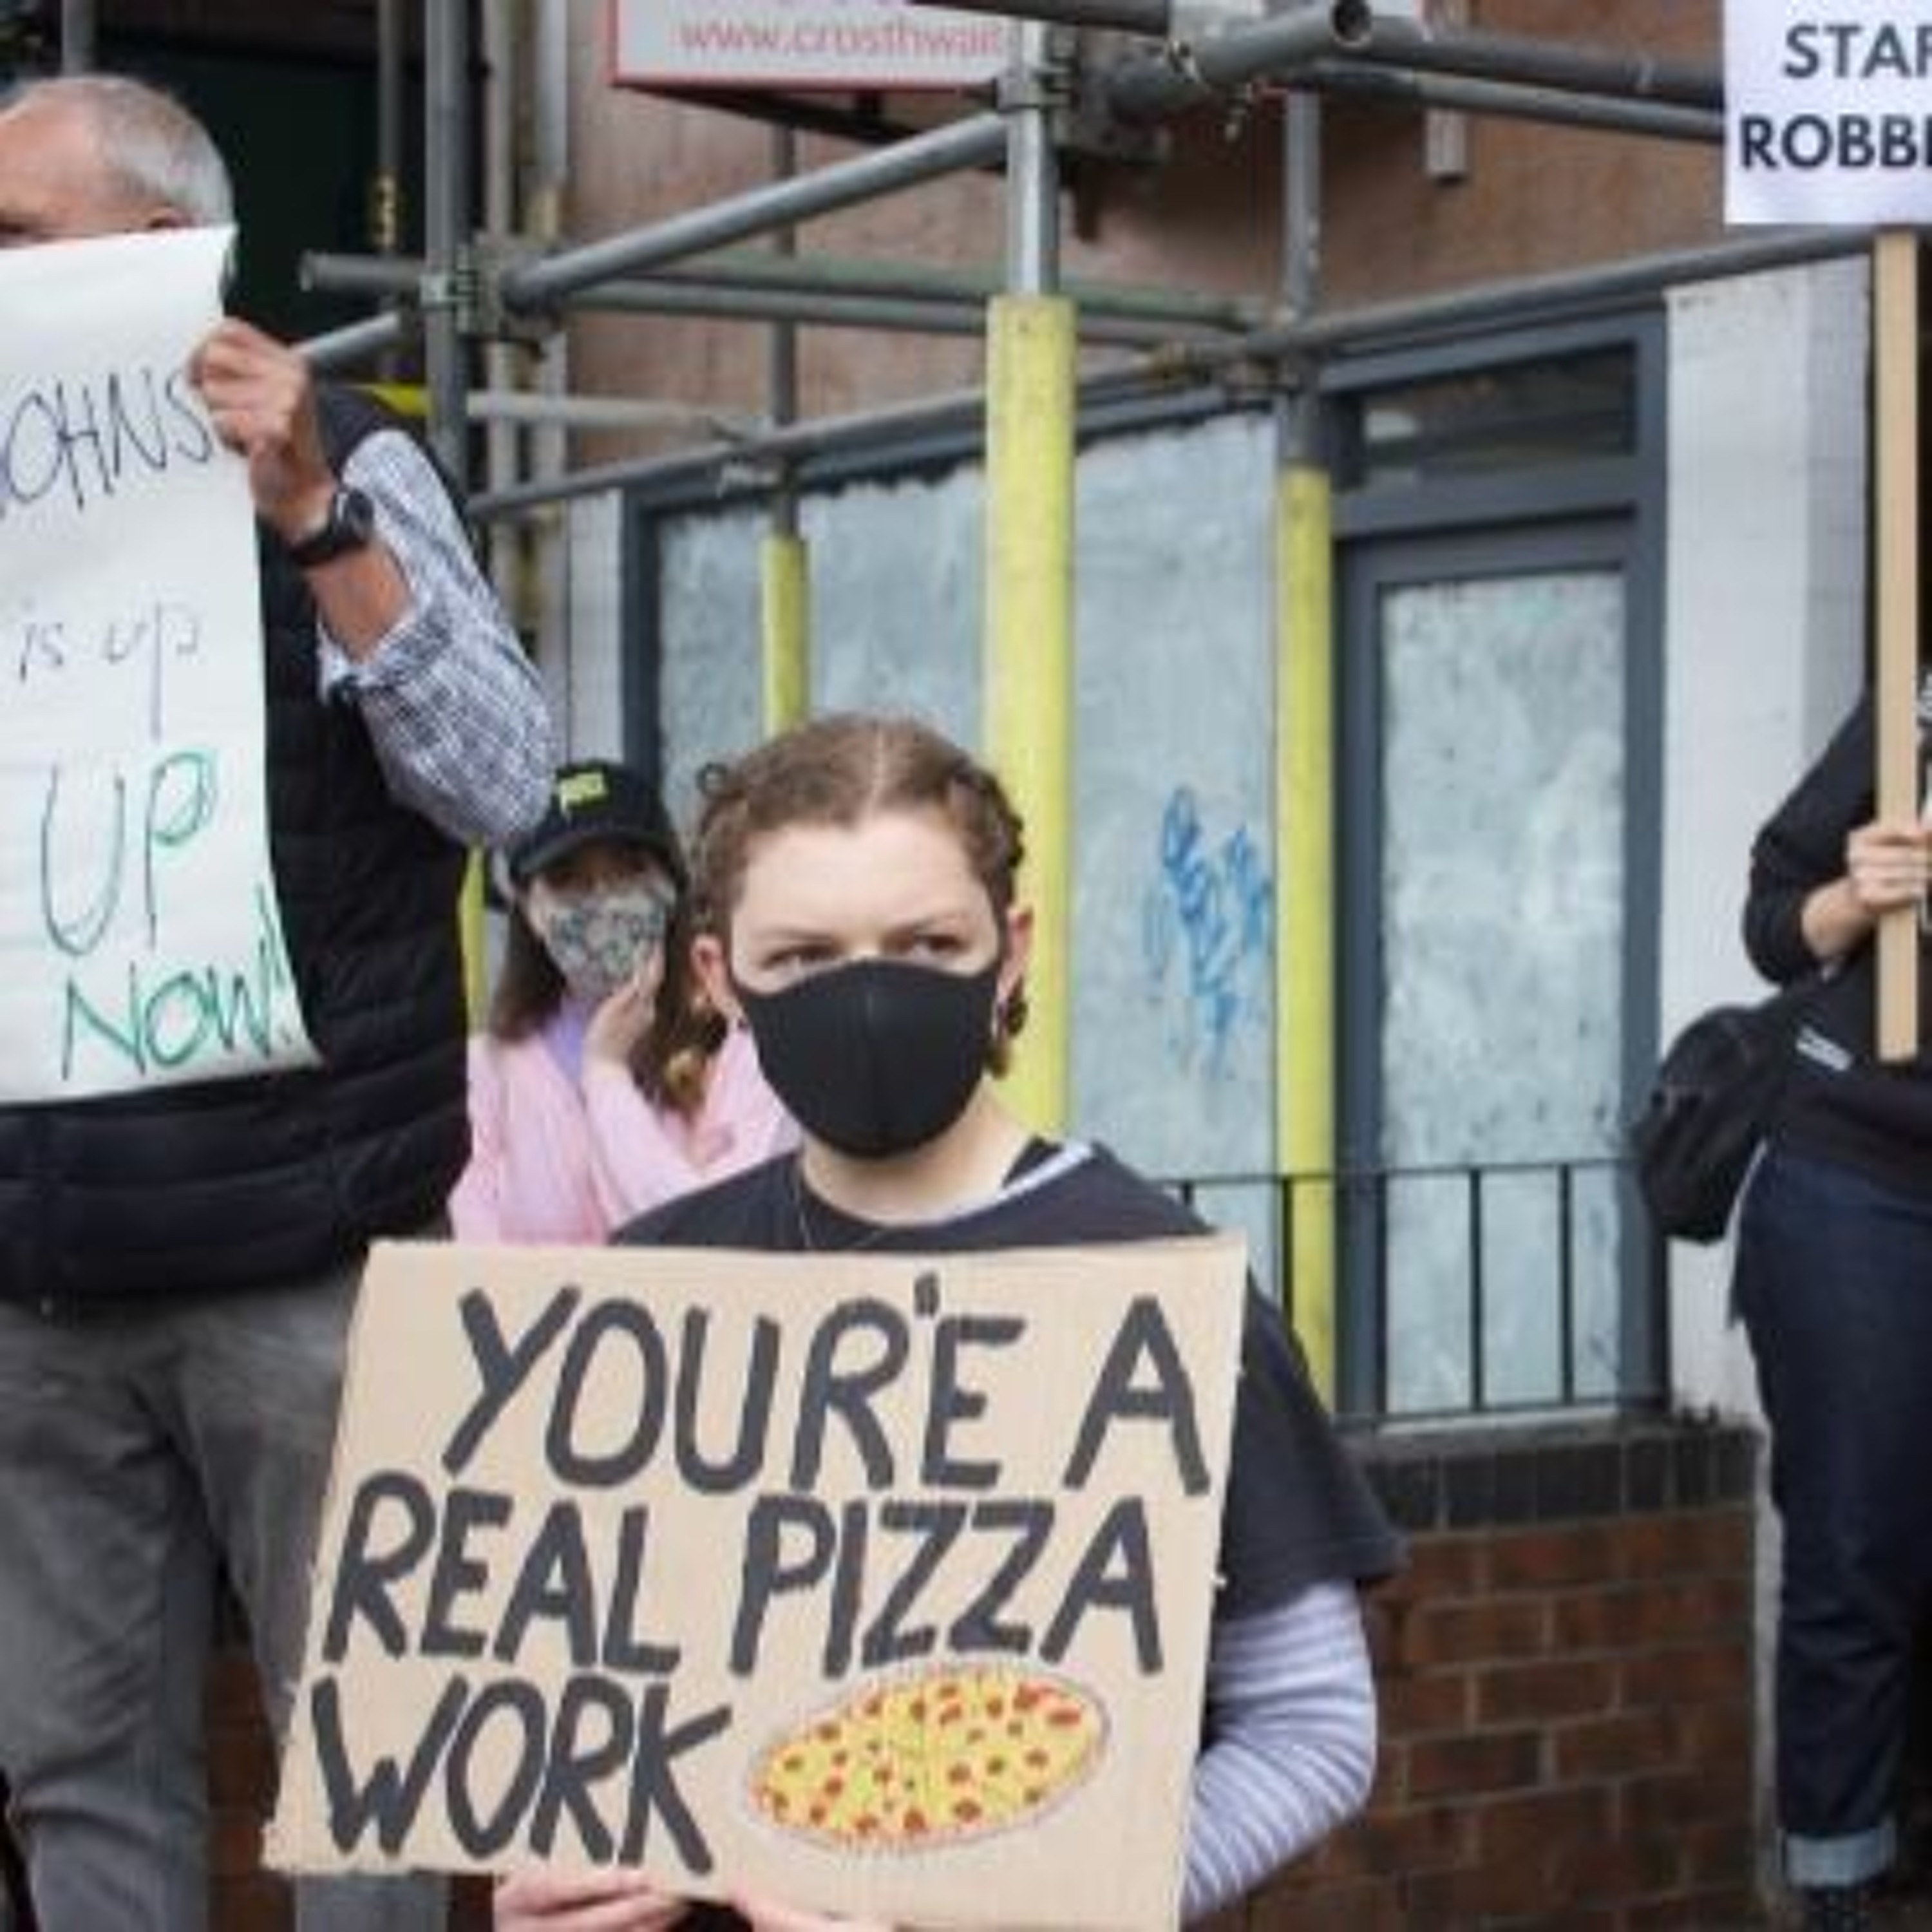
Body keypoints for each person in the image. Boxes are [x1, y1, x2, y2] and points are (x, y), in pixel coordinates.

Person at [495, 712, 1399, 1931]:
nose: (868, 996)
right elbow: (579, 1697)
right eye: (803, 957)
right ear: (716, 978)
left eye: (927, 944)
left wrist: (1042, 1908)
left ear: (1009, 953)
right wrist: (548, 1886)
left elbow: (1311, 1724)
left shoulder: (1160, 1284)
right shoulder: (653, 1282)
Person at [0, 74, 553, 1931]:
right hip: (34, 1280)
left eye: (15, 238)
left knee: (364, 1762)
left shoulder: (356, 458)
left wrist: (315, 514)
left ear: (164, 251)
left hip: (303, 1259)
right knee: (75, 1766)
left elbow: (501, 783)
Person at [1732, 681, 1932, 1932]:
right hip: (1862, 1173)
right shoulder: (1923, 695)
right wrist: (1859, 895)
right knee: (1856, 1552)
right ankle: (1842, 1895)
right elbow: (1771, 918)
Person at [451, 757, 794, 1242]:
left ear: (672, 887)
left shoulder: (739, 1046)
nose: (604, 902)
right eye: (567, 880)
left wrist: (605, 1072)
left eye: (629, 871)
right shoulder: (484, 1074)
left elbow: (710, 1242)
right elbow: (475, 1262)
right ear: (528, 909)